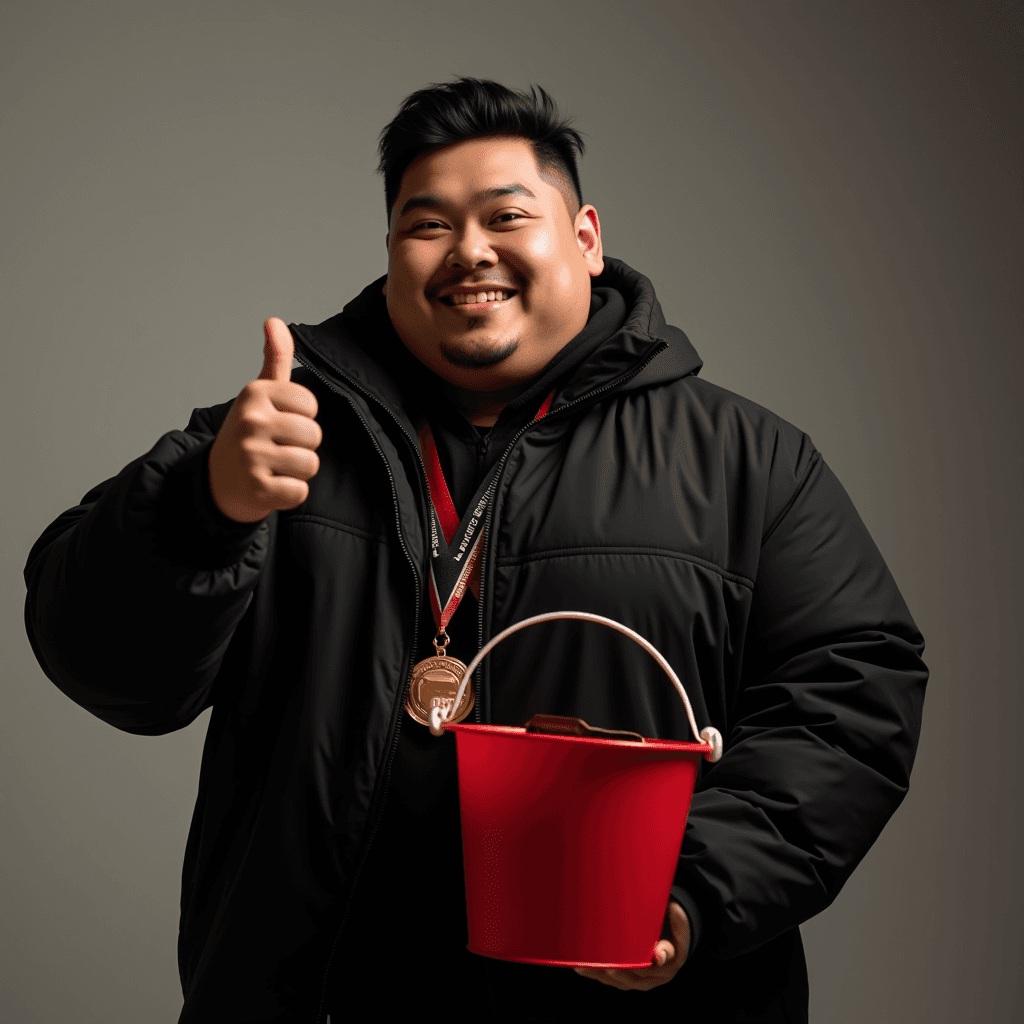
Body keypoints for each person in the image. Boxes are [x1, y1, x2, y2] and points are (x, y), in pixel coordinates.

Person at [24, 78, 927, 1023]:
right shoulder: (275, 436)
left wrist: (693, 887)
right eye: (428, 225)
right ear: (389, 252)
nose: (469, 252)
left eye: (506, 215)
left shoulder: (750, 463)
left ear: (583, 237)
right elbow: (102, 665)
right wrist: (207, 507)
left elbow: (853, 700)